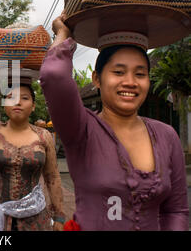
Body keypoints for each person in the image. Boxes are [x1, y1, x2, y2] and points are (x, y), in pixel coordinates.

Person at [39, 12, 189, 231]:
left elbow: (176, 211)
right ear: (97, 79)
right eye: (118, 72)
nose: (130, 82)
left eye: (140, 74)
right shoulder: (80, 129)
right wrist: (63, 33)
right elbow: (53, 76)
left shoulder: (167, 135)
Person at [0, 78, 65, 231]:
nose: (18, 102)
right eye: (10, 97)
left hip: (35, 220)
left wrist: (59, 216)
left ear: (33, 106)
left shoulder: (44, 136)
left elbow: (52, 176)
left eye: (25, 98)